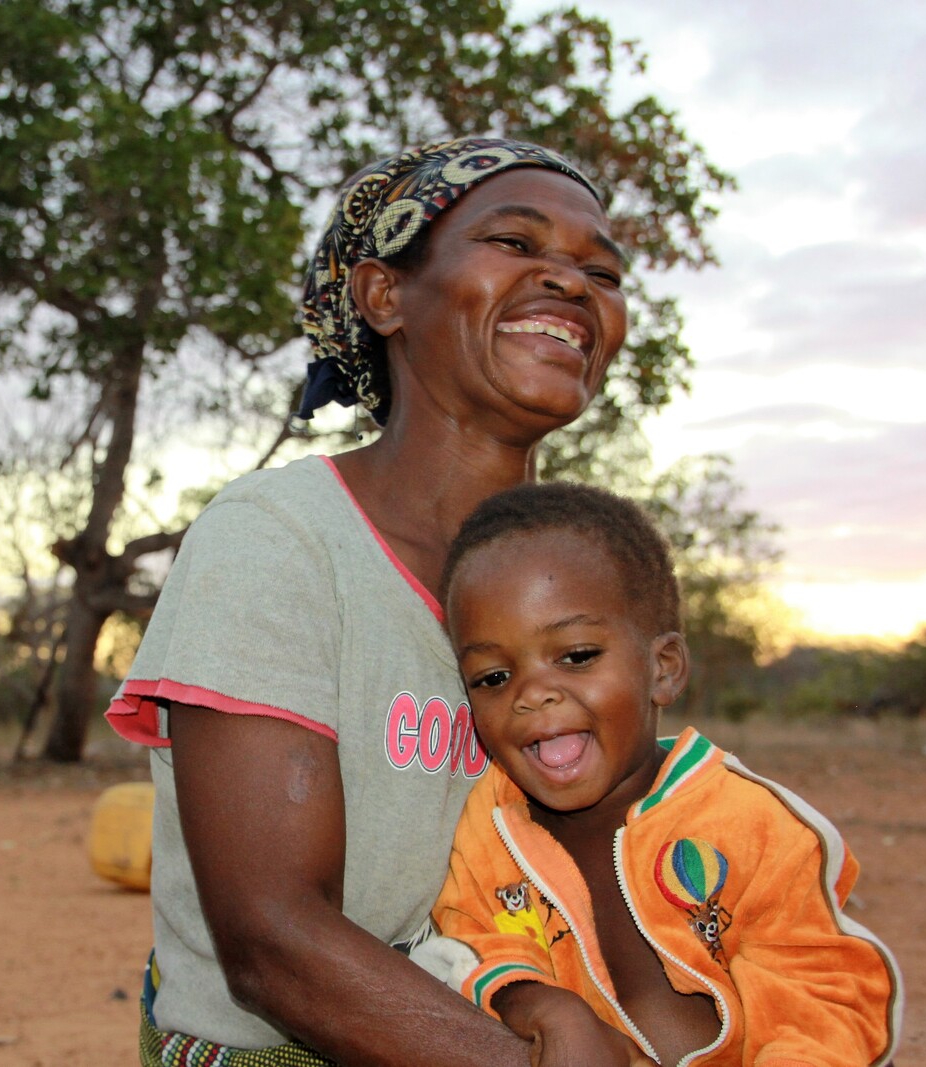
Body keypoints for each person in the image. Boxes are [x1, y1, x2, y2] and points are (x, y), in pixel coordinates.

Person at [106, 137, 630, 1064]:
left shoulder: (589, 576)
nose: (571, 282)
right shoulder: (280, 536)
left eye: (601, 269)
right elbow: (273, 941)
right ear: (385, 295)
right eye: (514, 242)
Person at [423, 481, 903, 1066]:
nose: (532, 694)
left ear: (663, 669)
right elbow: (475, 938)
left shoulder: (752, 826)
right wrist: (544, 1006)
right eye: (493, 677)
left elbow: (820, 1000)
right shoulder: (491, 827)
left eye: (576, 656)